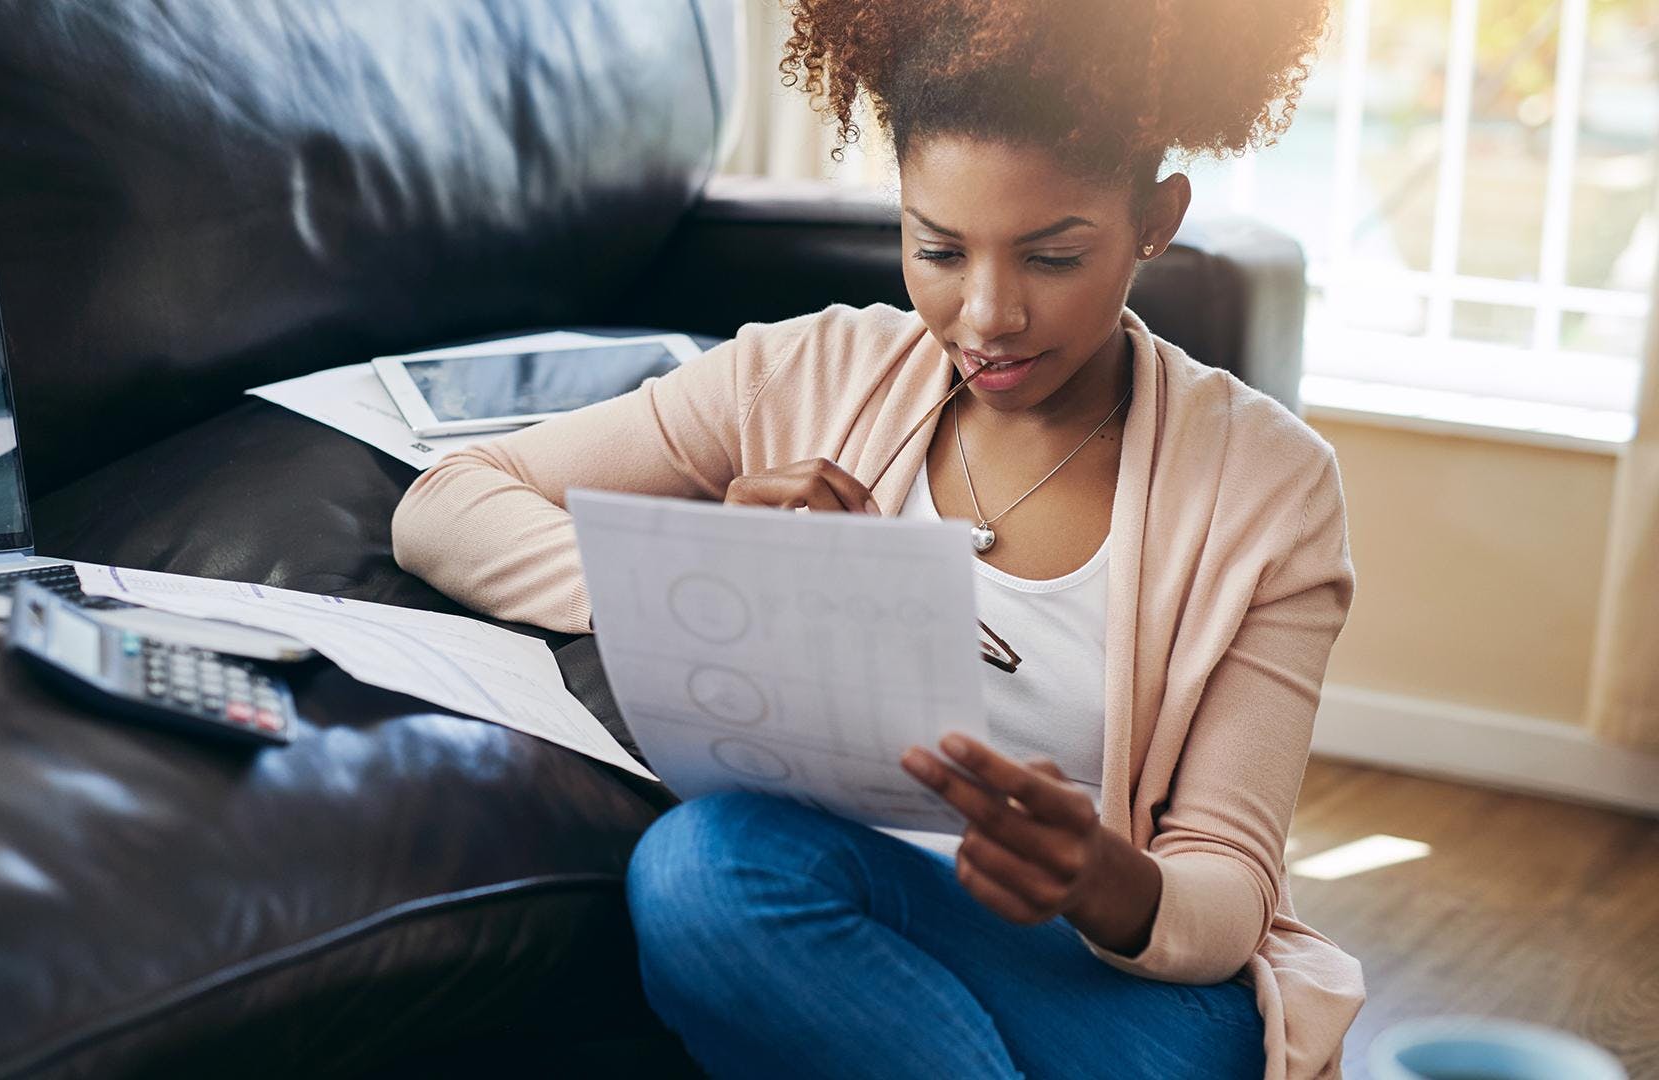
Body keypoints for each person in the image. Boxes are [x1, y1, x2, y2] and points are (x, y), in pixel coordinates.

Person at [390, 0, 1362, 1074]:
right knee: (703, 872)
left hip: (1123, 995)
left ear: (1156, 219)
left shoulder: (1271, 486)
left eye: (1051, 258)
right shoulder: (803, 374)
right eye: (938, 249)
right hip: (834, 909)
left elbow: (1225, 890)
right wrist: (701, 573)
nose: (986, 315)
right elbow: (448, 501)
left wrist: (1096, 875)